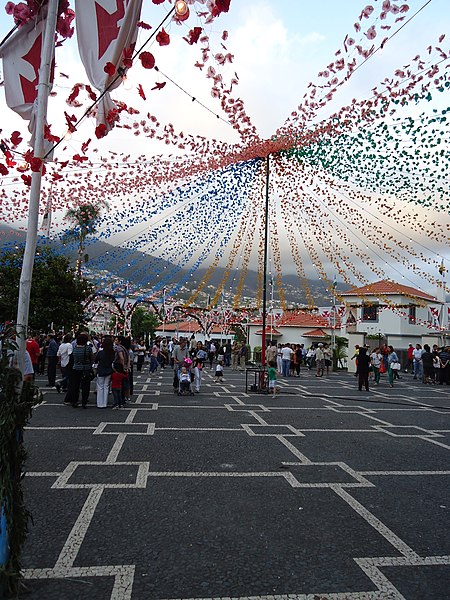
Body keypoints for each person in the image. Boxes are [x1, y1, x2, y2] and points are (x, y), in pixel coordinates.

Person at [64, 333, 94, 408]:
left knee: (75, 386)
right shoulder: (88, 349)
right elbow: (92, 358)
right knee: (85, 386)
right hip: (85, 369)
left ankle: (74, 401)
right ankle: (84, 402)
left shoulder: (75, 349)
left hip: (75, 368)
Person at [95, 336, 115, 408]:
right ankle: (105, 403)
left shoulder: (101, 352)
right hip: (109, 370)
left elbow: (96, 360)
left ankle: (100, 404)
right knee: (106, 386)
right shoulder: (112, 353)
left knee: (100, 386)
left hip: (101, 370)